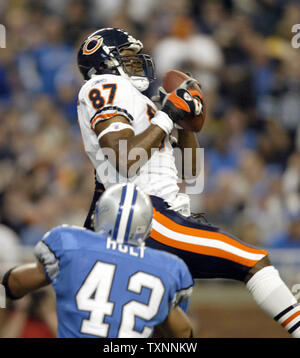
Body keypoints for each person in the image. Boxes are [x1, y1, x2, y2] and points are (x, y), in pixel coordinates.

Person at [76, 28, 300, 338]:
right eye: (127, 57)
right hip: (143, 217)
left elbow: (191, 173)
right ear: (103, 64)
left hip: (163, 213)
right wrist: (167, 115)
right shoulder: (104, 85)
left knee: (169, 334)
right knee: (252, 260)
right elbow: (125, 157)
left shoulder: (142, 103)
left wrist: (184, 121)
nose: (138, 63)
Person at [1, 183, 194, 338]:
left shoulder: (71, 245)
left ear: (98, 216)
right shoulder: (166, 268)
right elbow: (184, 333)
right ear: (146, 228)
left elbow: (15, 283)